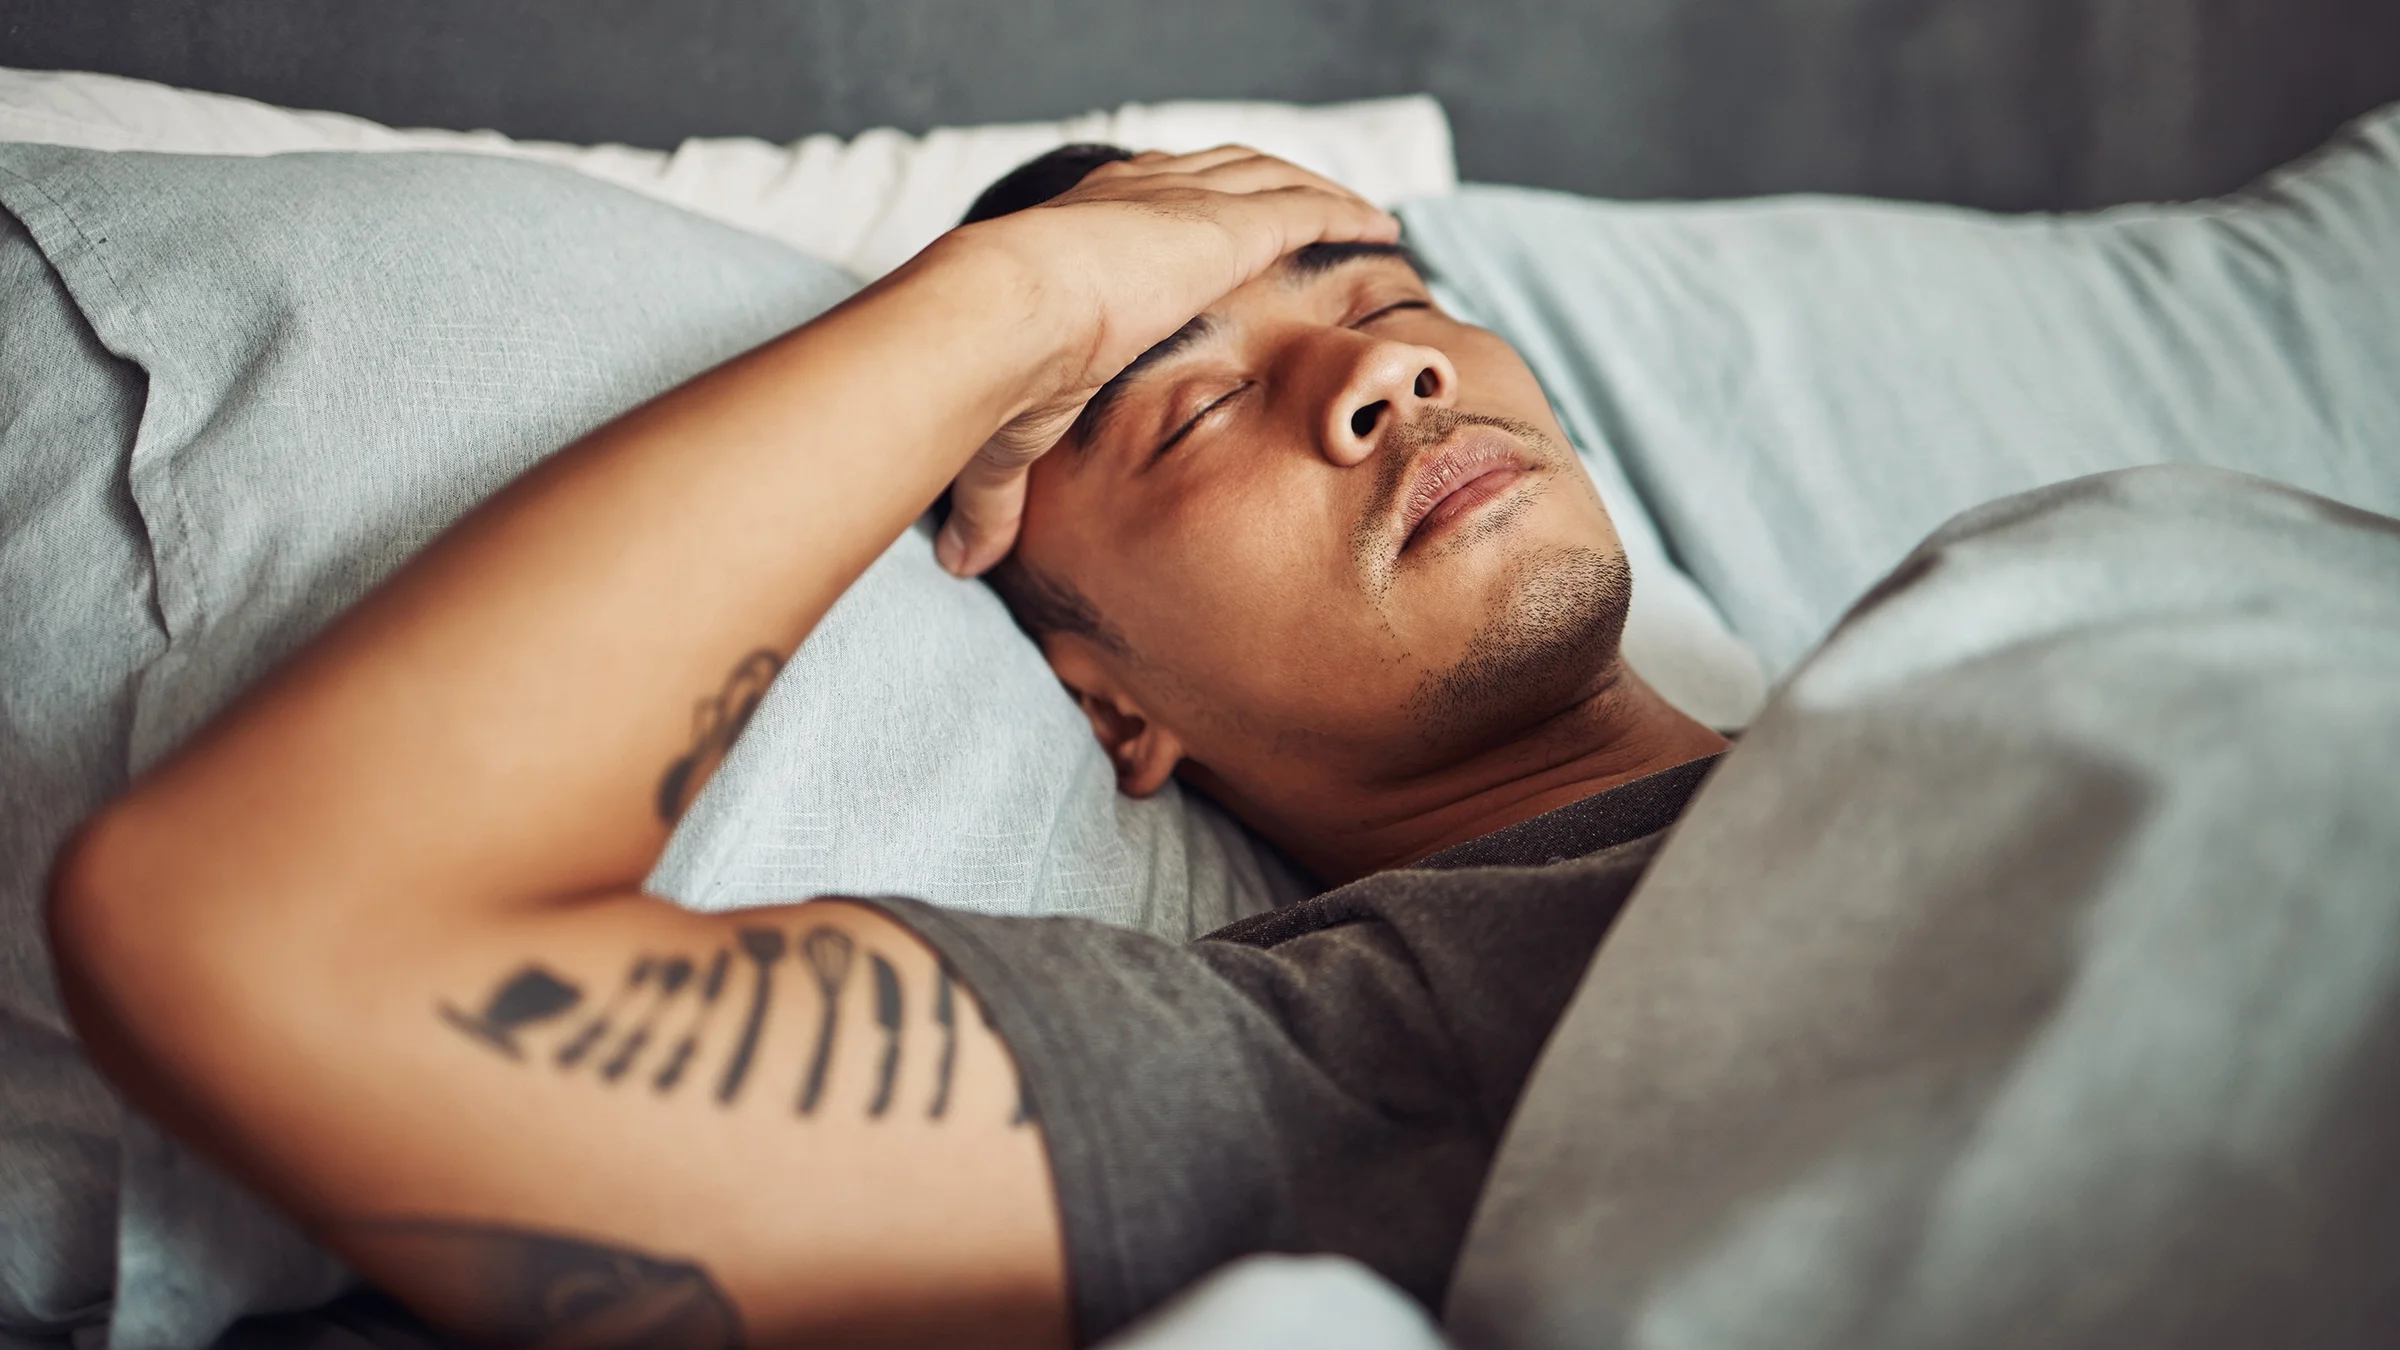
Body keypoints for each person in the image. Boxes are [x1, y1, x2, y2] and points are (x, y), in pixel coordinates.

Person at [46, 145, 1728, 1348]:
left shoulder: (1940, 618)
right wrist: (1010, 307)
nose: (1386, 368)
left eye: (1385, 296)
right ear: (1109, 705)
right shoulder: (1343, 1066)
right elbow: (272, 934)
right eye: (1193, 407)